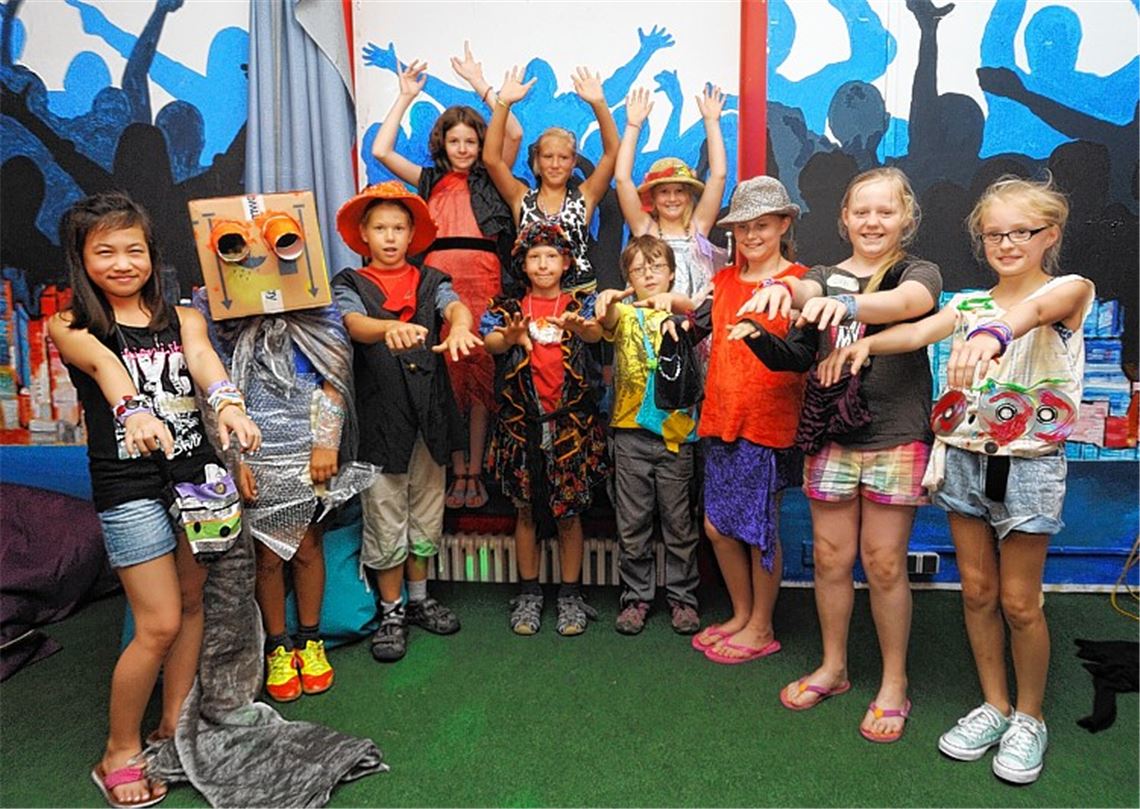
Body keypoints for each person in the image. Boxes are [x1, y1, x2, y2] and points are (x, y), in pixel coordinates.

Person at [821, 175, 1091, 782]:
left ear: (1049, 235)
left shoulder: (1068, 291)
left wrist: (998, 333)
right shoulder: (968, 305)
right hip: (964, 462)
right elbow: (919, 332)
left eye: (1021, 232)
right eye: (995, 233)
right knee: (976, 593)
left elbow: (1036, 311)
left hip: (1027, 468)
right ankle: (994, 704)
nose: (1007, 242)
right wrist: (867, 347)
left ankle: (1030, 716)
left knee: (1021, 601)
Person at [47, 191, 260, 807]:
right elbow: (107, 368)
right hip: (130, 486)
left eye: (133, 249)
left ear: (151, 253)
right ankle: (118, 750)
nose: (121, 262)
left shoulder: (185, 316)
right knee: (159, 622)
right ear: (82, 259)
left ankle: (171, 728)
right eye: (105, 251)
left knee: (194, 605)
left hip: (199, 480)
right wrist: (134, 411)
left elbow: (204, 364)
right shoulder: (72, 324)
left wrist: (229, 404)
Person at [738, 167, 942, 743]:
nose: (872, 222)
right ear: (844, 219)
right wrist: (786, 290)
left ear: (906, 218)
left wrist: (840, 303)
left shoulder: (915, 271)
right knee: (830, 559)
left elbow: (909, 303)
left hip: (896, 437)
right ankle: (834, 667)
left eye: (885, 211)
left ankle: (894, 682)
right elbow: (805, 292)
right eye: (861, 212)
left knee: (882, 563)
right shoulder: (824, 275)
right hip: (830, 437)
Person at [331, 181, 481, 663]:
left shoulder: (431, 279)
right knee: (385, 516)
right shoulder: (349, 283)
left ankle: (419, 601)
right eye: (380, 228)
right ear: (364, 234)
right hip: (380, 424)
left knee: (426, 513)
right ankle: (390, 610)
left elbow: (454, 305)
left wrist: (459, 325)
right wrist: (390, 327)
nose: (390, 237)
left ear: (412, 233)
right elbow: (353, 325)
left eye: (398, 227)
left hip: (431, 420)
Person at [370, 43, 522, 510]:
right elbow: (381, 149)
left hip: (485, 281)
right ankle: (456, 469)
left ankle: (474, 471)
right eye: (454, 141)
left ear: (480, 146)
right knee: (447, 380)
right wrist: (405, 95)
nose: (463, 149)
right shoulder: (427, 180)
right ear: (443, 144)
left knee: (479, 379)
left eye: (471, 141)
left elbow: (511, 131)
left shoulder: (494, 178)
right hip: (439, 284)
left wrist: (481, 84)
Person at [192, 292, 354, 704]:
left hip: (307, 446)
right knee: (266, 556)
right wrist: (235, 461)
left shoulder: (318, 307)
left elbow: (334, 373)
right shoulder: (216, 312)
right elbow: (214, 392)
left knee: (307, 546)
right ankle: (278, 646)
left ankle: (310, 640)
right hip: (253, 447)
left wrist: (327, 443)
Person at [674, 177, 808, 665]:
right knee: (717, 527)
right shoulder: (725, 280)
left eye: (762, 226)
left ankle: (762, 626)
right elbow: (697, 326)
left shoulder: (800, 282)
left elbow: (802, 356)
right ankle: (742, 613)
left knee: (758, 531)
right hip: (720, 419)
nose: (751, 236)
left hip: (769, 427)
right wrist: (671, 320)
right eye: (743, 228)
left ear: (783, 224)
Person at [481, 221, 607, 635]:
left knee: (570, 516)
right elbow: (491, 343)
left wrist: (576, 328)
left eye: (551, 254)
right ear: (522, 263)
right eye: (534, 256)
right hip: (520, 430)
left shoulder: (581, 304)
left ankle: (570, 595)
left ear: (566, 260)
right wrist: (512, 338)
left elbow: (594, 333)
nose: (543, 262)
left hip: (570, 431)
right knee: (525, 513)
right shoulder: (507, 308)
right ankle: (530, 594)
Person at [594, 235, 700, 635]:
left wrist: (677, 303)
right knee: (632, 523)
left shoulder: (684, 311)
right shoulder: (623, 313)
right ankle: (636, 597)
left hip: (677, 435)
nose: (648, 274)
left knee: (679, 523)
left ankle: (683, 600)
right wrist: (607, 299)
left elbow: (697, 310)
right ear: (628, 277)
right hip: (630, 434)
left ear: (672, 272)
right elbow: (604, 321)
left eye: (656, 266)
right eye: (638, 269)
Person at [482, 65, 619, 291]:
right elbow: (491, 160)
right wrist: (503, 103)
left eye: (563, 157)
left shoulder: (585, 197)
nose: (555, 164)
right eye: (548, 156)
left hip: (580, 298)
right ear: (537, 159)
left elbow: (612, 153)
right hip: (537, 300)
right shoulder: (521, 198)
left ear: (573, 162)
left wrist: (599, 103)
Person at [614, 84, 728, 302]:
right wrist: (633, 125)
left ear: (688, 196)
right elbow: (622, 179)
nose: (673, 198)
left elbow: (718, 176)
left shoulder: (698, 227)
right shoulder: (645, 229)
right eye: (664, 192)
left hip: (693, 326)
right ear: (653, 198)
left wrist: (712, 122)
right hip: (650, 324)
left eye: (679, 191)